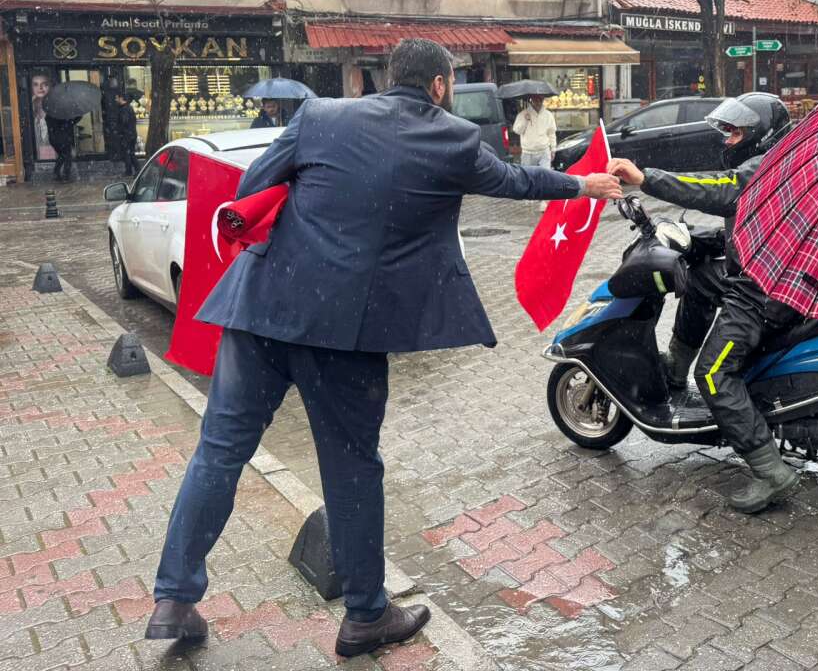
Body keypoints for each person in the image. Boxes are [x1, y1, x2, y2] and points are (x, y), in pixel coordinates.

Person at [147, 39, 622, 657]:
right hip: (345, 331)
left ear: (385, 78)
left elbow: (257, 185)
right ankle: (366, 616)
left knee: (220, 450)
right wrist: (585, 185)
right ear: (440, 87)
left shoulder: (319, 115)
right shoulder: (450, 137)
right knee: (349, 466)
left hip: (259, 308)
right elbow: (514, 182)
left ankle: (175, 597)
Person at [608, 92, 800, 514]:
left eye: (736, 132)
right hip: (754, 272)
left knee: (713, 373)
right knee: (698, 277)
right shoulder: (780, 159)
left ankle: (770, 469)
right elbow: (746, 226)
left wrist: (646, 178)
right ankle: (675, 368)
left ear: (761, 135)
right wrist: (700, 239)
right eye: (727, 131)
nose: (729, 139)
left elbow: (722, 189)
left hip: (762, 293)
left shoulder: (769, 167)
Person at [513, 94, 558, 211]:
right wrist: (525, 121)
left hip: (544, 150)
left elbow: (551, 133)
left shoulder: (548, 115)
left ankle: (544, 201)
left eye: (540, 99)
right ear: (531, 100)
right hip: (528, 150)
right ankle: (530, 195)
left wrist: (553, 149)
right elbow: (517, 130)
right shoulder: (523, 114)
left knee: (546, 176)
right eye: (536, 99)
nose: (538, 102)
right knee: (528, 176)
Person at [30, 73, 56, 163]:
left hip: (55, 157)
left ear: (50, 86)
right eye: (35, 84)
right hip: (34, 159)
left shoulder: (56, 106)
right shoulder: (27, 107)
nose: (40, 88)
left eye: (44, 84)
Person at [47, 113, 79, 182]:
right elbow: (69, 123)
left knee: (62, 155)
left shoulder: (49, 115)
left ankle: (56, 173)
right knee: (67, 156)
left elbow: (68, 123)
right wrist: (78, 117)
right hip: (62, 139)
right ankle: (65, 176)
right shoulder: (60, 115)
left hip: (53, 139)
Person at [113, 92, 139, 177]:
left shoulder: (124, 109)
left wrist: (118, 129)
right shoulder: (128, 108)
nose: (115, 100)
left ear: (121, 98)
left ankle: (134, 171)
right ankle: (133, 170)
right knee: (130, 153)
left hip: (127, 135)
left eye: (117, 98)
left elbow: (125, 122)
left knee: (129, 153)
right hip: (130, 134)